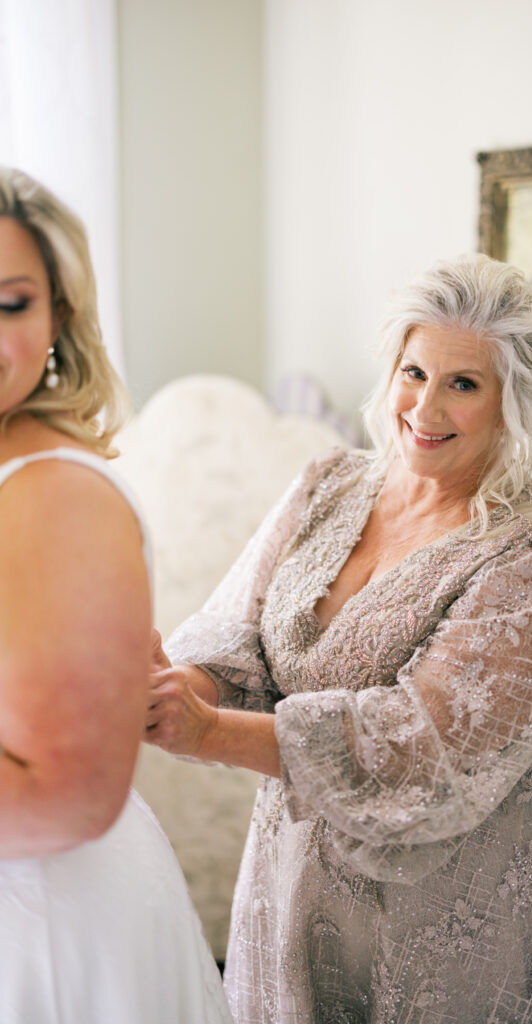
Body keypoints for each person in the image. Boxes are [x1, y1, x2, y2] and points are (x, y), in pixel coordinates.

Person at [146, 255, 532, 1023]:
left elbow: (421, 749)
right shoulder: (328, 483)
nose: (425, 406)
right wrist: (179, 687)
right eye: (414, 372)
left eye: (462, 384)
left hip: (451, 925)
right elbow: (236, 628)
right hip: (293, 882)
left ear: (515, 403)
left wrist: (206, 732)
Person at [0, 167, 231, 1024]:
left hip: (41, 926)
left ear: (58, 315)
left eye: (10, 302)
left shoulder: (54, 492)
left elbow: (67, 797)